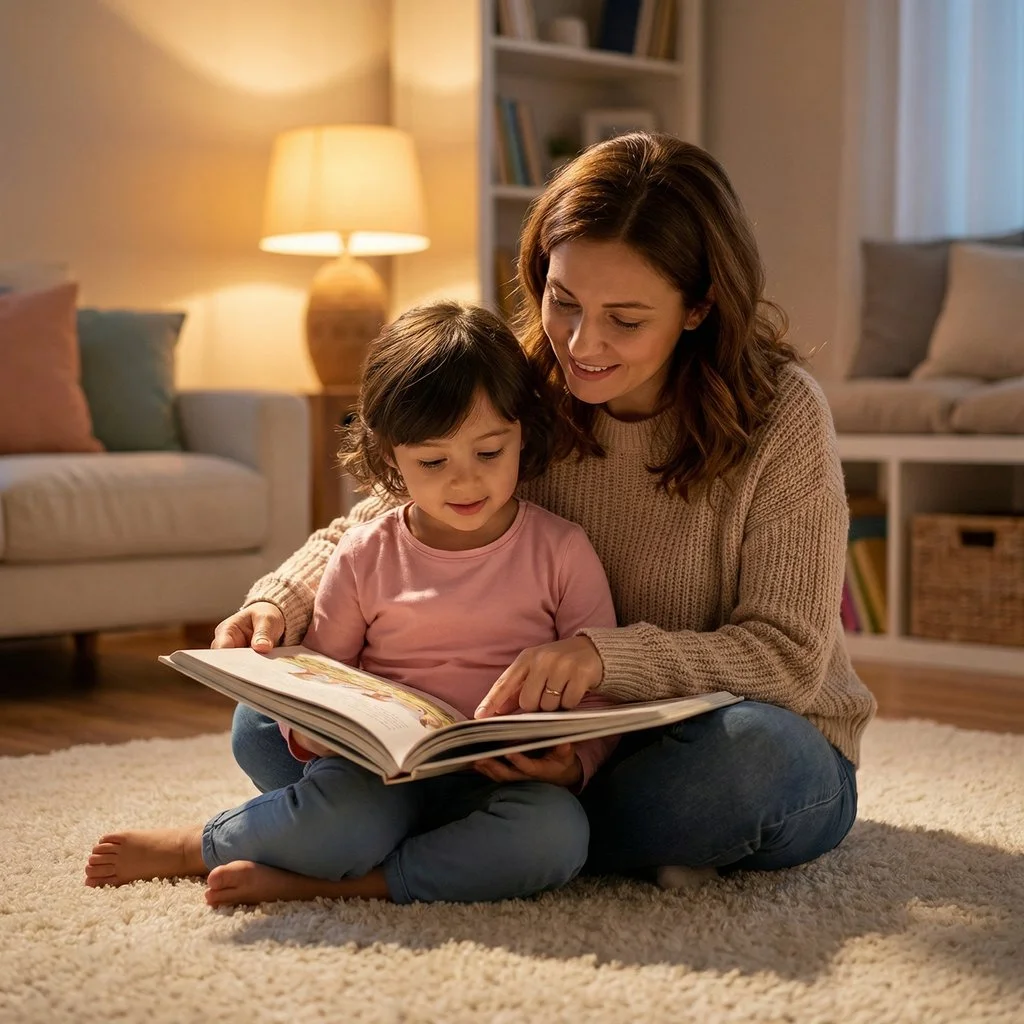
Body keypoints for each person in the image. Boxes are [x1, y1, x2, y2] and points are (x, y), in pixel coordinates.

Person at [213, 132, 877, 889]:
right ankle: (513, 840)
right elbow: (392, 514)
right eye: (563, 302)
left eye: (625, 320)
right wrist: (281, 598)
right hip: (511, 747)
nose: (581, 343)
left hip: (709, 742)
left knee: (746, 763)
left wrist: (605, 657)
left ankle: (434, 839)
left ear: (699, 307)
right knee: (263, 723)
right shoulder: (530, 384)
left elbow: (788, 655)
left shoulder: (780, 415)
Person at [84, 301, 619, 906]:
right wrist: (315, 737)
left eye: (489, 453)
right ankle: (199, 845)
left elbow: (600, 692)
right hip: (377, 777)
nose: (465, 482)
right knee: (334, 821)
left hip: (501, 781)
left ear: (524, 431)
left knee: (558, 838)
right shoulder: (365, 552)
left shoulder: (562, 551)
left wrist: (573, 767)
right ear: (390, 454)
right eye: (433, 462)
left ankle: (358, 883)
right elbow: (320, 678)